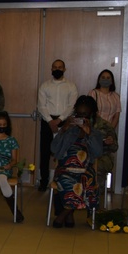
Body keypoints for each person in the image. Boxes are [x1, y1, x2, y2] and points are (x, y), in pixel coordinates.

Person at [50, 95, 104, 228]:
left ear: (91, 115)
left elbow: (98, 153)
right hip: (65, 169)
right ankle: (69, 214)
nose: (81, 117)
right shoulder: (68, 130)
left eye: (84, 114)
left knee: (86, 182)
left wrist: (89, 133)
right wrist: (63, 130)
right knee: (66, 180)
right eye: (78, 114)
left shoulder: (95, 133)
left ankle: (64, 213)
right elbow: (53, 148)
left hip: (85, 170)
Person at [37, 59, 78, 191]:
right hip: (47, 121)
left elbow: (71, 106)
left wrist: (59, 120)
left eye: (60, 67)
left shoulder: (71, 86)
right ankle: (44, 182)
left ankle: (63, 181)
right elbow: (41, 106)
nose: (57, 69)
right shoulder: (45, 86)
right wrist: (50, 121)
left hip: (65, 121)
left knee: (64, 152)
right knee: (45, 153)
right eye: (54, 67)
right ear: (51, 69)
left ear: (64, 69)